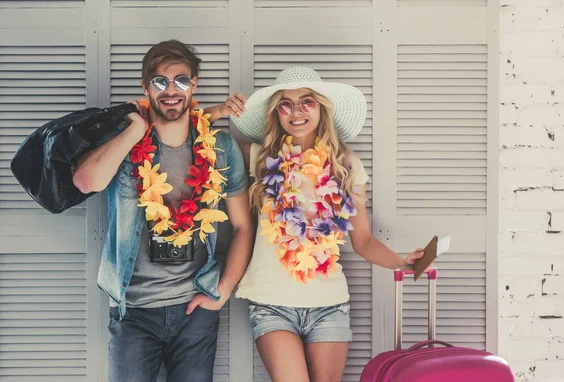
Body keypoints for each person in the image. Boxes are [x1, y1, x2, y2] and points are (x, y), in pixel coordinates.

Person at [222, 66, 425, 382]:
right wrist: (221, 109)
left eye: (307, 101)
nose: (297, 112)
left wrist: (403, 262)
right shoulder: (259, 158)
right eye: (285, 104)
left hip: (329, 306)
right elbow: (208, 139)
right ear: (276, 113)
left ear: (322, 107)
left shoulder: (345, 165)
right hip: (272, 305)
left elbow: (364, 241)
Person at [72, 39, 254, 381]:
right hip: (134, 311)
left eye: (182, 80)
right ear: (146, 87)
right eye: (160, 81)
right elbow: (85, 181)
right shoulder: (124, 145)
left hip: (195, 308)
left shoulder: (223, 148)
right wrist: (136, 130)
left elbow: (243, 226)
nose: (172, 90)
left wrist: (221, 293)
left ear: (194, 84)